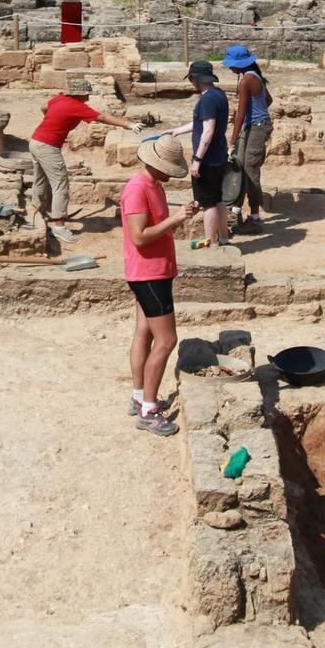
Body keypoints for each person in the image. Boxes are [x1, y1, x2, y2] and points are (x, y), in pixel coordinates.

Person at [121, 135, 193, 437]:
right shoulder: (138, 189)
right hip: (149, 274)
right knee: (167, 341)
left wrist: (177, 218)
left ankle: (139, 396)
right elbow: (139, 236)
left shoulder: (154, 186)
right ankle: (149, 410)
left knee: (144, 332)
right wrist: (175, 219)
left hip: (153, 271)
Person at [27, 79, 139, 242]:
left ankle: (36, 210)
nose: (87, 97)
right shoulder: (76, 106)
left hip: (35, 141)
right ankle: (59, 226)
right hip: (48, 146)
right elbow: (102, 117)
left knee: (40, 178)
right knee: (60, 184)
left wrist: (55, 122)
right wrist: (128, 124)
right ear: (81, 94)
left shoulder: (58, 99)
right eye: (86, 94)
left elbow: (43, 107)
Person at [167, 59, 229, 248]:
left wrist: (197, 160)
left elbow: (208, 130)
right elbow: (202, 123)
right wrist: (178, 130)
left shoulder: (207, 99)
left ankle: (208, 241)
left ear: (195, 78)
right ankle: (224, 238)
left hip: (208, 160)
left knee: (208, 203)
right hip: (219, 156)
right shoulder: (219, 94)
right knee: (218, 199)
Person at [222, 44, 273, 233]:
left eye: (231, 64)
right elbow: (269, 100)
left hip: (256, 127)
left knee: (250, 172)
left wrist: (232, 142)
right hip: (256, 125)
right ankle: (236, 210)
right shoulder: (255, 76)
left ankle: (254, 217)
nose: (229, 68)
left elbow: (240, 114)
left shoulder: (246, 81)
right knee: (241, 167)